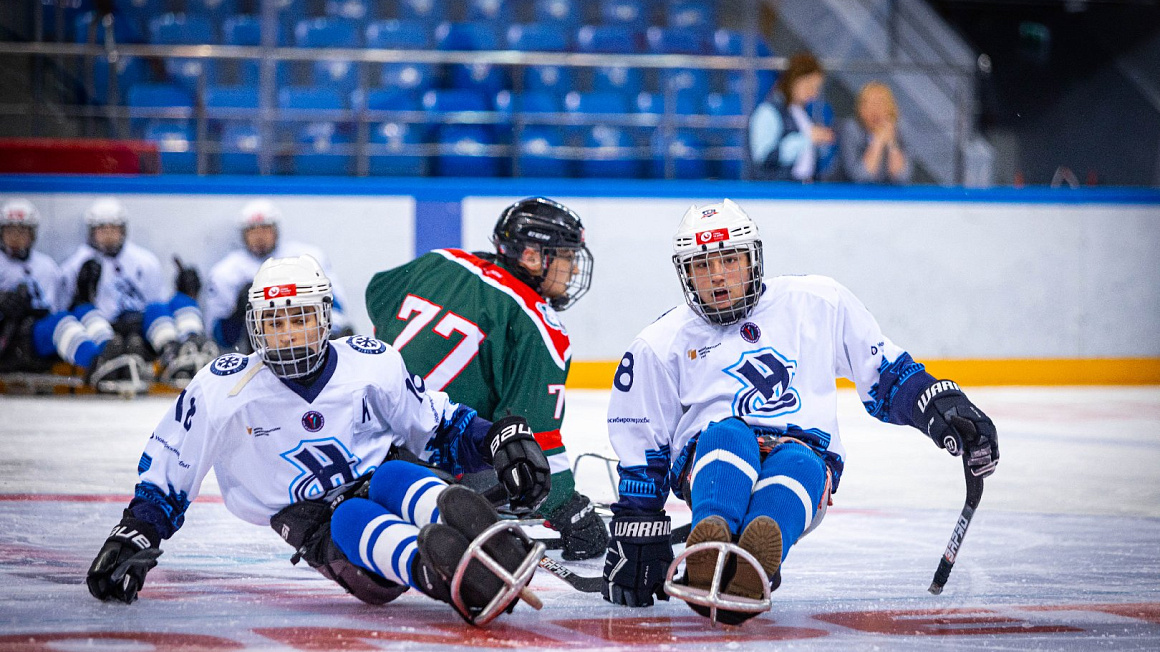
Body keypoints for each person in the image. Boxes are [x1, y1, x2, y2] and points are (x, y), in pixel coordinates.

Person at [86, 255, 552, 626]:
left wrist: (496, 438)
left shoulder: (370, 363)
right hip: (314, 521)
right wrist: (135, 532)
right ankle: (435, 570)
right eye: (276, 323)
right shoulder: (223, 388)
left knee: (392, 473)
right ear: (255, 327)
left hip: (382, 476)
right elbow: (172, 470)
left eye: (300, 320)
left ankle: (490, 540)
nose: (288, 336)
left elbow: (437, 427)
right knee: (351, 515)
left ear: (325, 318)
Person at [600, 199, 999, 624]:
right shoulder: (661, 342)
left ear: (753, 260)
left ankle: (755, 556)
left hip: (803, 452)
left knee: (801, 463)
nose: (716, 276)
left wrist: (940, 406)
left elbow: (888, 376)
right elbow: (644, 436)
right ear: (685, 274)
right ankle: (713, 543)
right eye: (702, 266)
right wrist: (636, 521)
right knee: (728, 434)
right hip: (713, 452)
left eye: (729, 259)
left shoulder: (817, 302)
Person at [365, 197, 609, 561]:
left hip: (356, 438)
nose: (572, 271)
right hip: (424, 467)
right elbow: (533, 441)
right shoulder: (539, 328)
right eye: (567, 257)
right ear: (530, 257)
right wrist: (569, 510)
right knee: (512, 464)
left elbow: (377, 294)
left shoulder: (440, 260)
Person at [59, 197, 217, 384]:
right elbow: (66, 311)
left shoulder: (145, 260)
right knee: (83, 311)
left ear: (123, 230)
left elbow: (158, 302)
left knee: (163, 307)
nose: (108, 235)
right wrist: (82, 296)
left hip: (141, 326)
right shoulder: (75, 264)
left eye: (113, 229)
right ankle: (102, 358)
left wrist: (188, 292)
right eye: (102, 229)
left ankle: (179, 353)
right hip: (105, 328)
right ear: (92, 232)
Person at [203, 198, 354, 353]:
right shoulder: (226, 272)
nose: (259, 236)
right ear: (243, 234)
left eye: (265, 228)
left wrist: (331, 332)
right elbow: (218, 336)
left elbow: (334, 304)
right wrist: (237, 314)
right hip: (257, 353)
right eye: (253, 230)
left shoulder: (307, 258)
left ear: (275, 230)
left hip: (309, 345)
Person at [0, 198, 123, 385]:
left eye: (22, 230)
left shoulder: (46, 266)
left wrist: (80, 297)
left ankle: (112, 354)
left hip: (39, 333)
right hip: (12, 340)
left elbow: (59, 307)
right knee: (60, 324)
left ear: (32, 234)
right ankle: (96, 364)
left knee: (83, 312)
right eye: (11, 230)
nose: (16, 236)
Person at [749, 52, 836, 182]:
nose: (813, 93)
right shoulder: (768, 111)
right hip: (778, 192)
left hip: (805, 187)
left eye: (816, 88)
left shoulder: (805, 114)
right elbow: (764, 156)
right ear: (794, 80)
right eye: (809, 86)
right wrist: (807, 139)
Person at [840, 81, 913, 184]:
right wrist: (878, 141)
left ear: (891, 109)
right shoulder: (851, 129)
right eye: (870, 105)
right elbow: (861, 176)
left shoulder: (900, 130)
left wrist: (892, 143)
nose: (875, 111)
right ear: (860, 110)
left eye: (881, 104)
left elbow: (901, 177)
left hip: (890, 197)